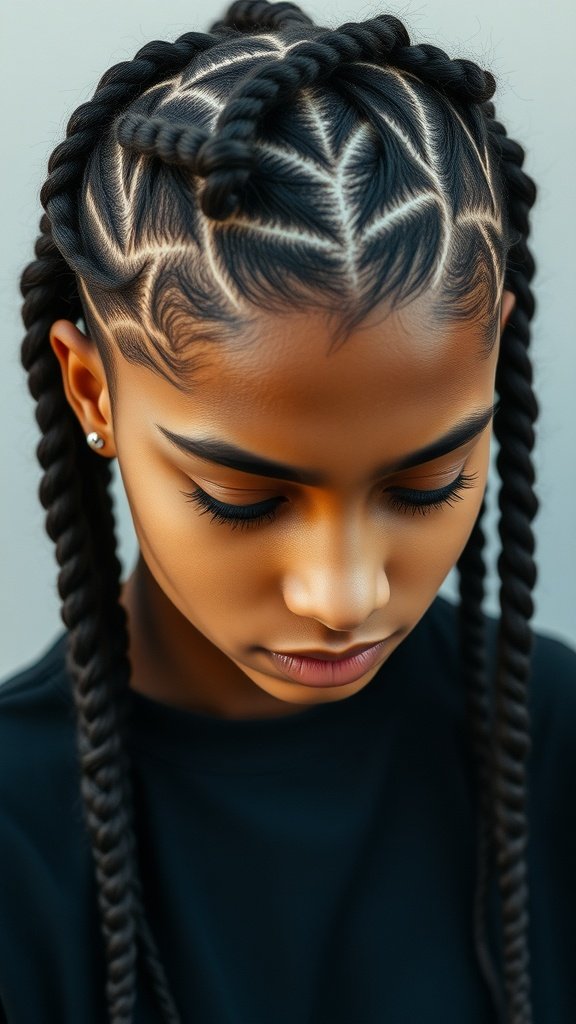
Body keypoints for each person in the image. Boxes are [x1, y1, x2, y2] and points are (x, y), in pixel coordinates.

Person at [1, 1, 574, 1021]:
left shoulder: (563, 744)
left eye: (425, 485)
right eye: (244, 498)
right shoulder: (19, 841)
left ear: (496, 361)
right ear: (93, 393)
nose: (343, 594)